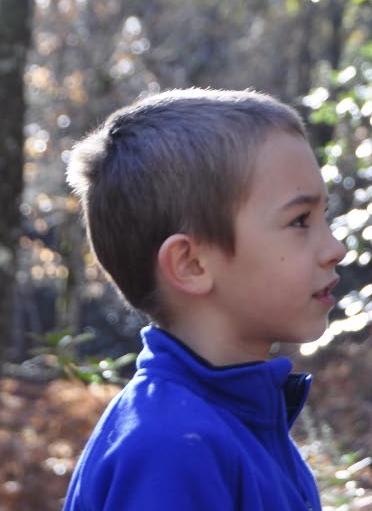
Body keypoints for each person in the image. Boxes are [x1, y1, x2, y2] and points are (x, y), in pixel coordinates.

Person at [61, 87, 346, 511]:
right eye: (300, 220)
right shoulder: (170, 450)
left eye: (325, 216)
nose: (335, 248)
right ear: (191, 264)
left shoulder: (238, 418)